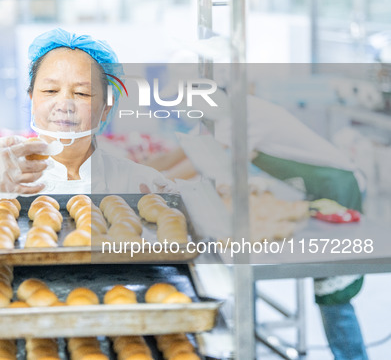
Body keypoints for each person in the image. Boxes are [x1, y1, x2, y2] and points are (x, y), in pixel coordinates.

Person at [144, 94, 368, 360]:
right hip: (312, 192)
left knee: (334, 293)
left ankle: (353, 356)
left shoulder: (243, 114)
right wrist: (140, 172)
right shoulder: (218, 117)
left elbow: (198, 163)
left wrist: (145, 189)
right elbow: (182, 153)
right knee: (327, 291)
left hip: (337, 189)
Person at [0, 28, 173, 218]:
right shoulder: (0, 164)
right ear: (31, 98)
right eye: (50, 91)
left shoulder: (134, 180)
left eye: (82, 93)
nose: (64, 104)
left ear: (105, 108)